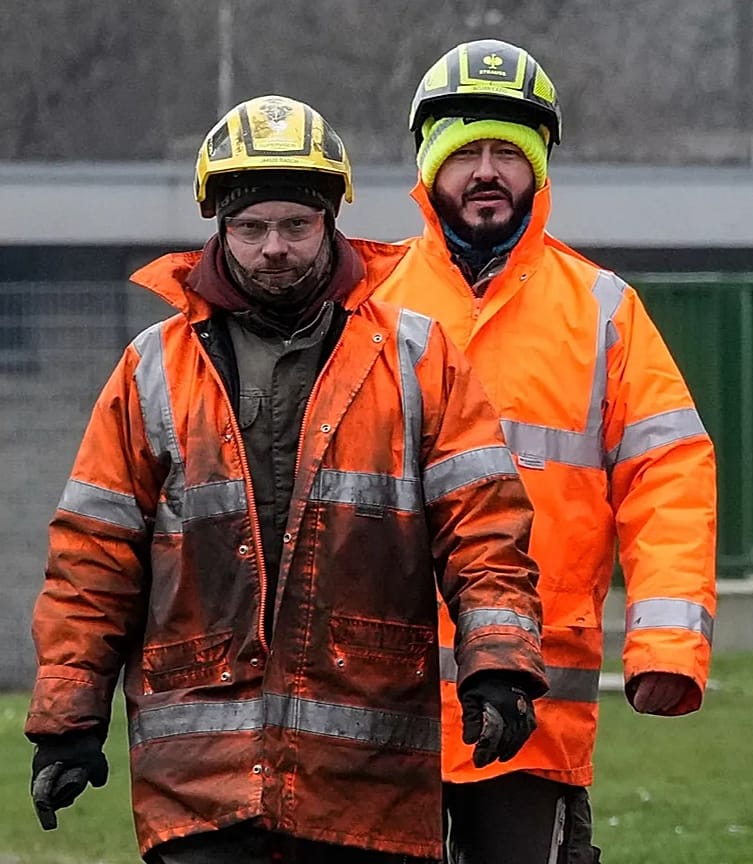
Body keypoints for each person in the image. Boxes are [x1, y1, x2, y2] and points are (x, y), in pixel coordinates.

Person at [25, 95, 546, 863]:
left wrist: (499, 662)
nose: (275, 248)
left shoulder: (417, 360)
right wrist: (68, 719)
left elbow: (486, 533)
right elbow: (92, 557)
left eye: (296, 225)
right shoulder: (151, 369)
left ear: (330, 222)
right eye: (252, 227)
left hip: (366, 789)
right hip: (200, 796)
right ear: (219, 227)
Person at [372, 39, 718, 864]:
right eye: (467, 152)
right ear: (428, 165)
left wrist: (668, 644)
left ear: (540, 167)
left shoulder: (601, 311)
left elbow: (669, 477)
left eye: (510, 153)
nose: (488, 172)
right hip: (381, 704)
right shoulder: (367, 303)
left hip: (533, 702)